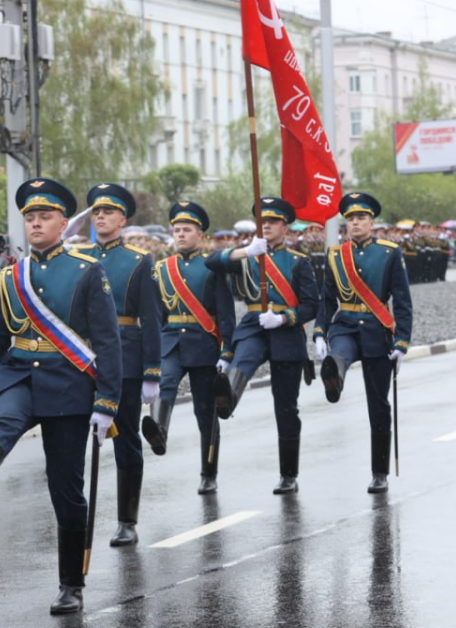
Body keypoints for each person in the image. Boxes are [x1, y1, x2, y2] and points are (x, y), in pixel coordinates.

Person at [0, 178, 121, 613]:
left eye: (45, 216)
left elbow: (108, 341)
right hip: (20, 373)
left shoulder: (87, 270)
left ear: (63, 223)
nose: (36, 223)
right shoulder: (10, 277)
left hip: (69, 381)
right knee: (3, 422)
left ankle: (71, 583)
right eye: (30, 217)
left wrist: (106, 402)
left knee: (65, 486)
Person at [69, 184, 161, 547]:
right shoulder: (78, 258)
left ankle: (127, 519)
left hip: (125, 359)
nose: (101, 217)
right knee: (73, 437)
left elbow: (151, 319)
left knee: (125, 440)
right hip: (82, 356)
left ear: (123, 220)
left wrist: (152, 371)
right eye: (96, 211)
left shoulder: (139, 261)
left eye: (108, 212)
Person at [211, 196, 319, 494]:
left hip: (285, 331)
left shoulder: (298, 261)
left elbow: (311, 305)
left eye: (272, 222)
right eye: (262, 222)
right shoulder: (248, 256)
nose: (267, 226)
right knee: (244, 358)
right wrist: (246, 251)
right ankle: (228, 398)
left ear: (285, 227)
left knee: (286, 407)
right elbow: (212, 262)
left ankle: (288, 475)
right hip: (254, 325)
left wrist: (284, 318)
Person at [314, 192, 412, 493]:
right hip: (345, 325)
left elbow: (402, 301)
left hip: (376, 330)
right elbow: (327, 299)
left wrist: (401, 342)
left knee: (378, 405)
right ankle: (335, 376)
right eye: (351, 219)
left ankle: (379, 473)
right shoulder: (335, 255)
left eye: (361, 218)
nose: (355, 223)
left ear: (371, 222)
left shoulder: (389, 252)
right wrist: (319, 331)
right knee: (339, 354)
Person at [143, 201, 237, 494]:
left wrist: (227, 351)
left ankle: (209, 473)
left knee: (205, 412)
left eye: (187, 229)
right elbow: (156, 314)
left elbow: (225, 313)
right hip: (171, 341)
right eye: (177, 230)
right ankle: (159, 431)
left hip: (203, 344)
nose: (181, 234)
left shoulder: (211, 267)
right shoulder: (161, 269)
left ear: (200, 234)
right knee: (165, 384)